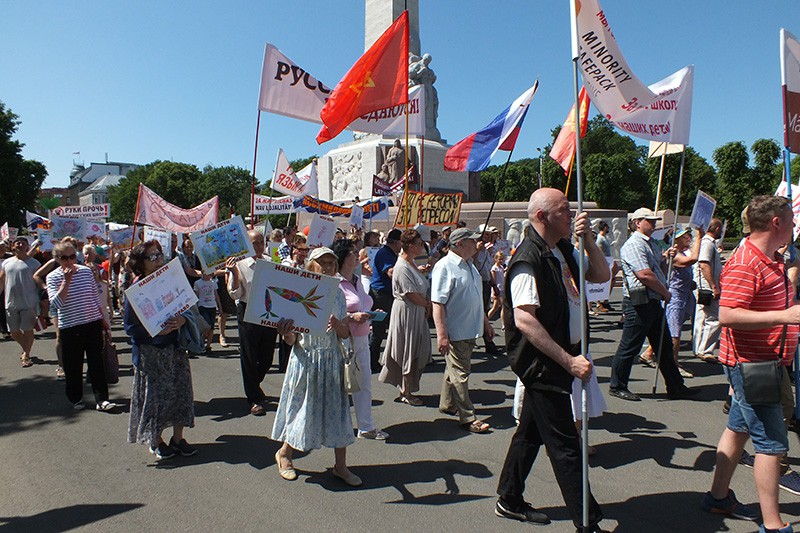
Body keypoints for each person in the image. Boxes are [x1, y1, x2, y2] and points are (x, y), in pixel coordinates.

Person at [496, 188, 609, 529]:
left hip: (561, 357)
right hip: (544, 364)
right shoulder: (527, 258)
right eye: (564, 210)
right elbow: (524, 319)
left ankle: (509, 497)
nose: (572, 214)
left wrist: (588, 240)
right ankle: (588, 522)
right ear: (542, 217)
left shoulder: (560, 249)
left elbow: (601, 276)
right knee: (566, 448)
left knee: (530, 433)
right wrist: (568, 361)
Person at [702, 196, 799, 533]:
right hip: (754, 366)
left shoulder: (768, 257)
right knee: (772, 444)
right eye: (791, 219)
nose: (794, 225)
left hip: (758, 364)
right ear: (776, 223)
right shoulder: (747, 261)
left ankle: (718, 496)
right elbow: (727, 315)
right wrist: (785, 316)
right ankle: (772, 524)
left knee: (738, 428)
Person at [272, 247, 361, 487]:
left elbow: (344, 334)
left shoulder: (338, 295)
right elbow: (292, 341)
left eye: (332, 263)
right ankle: (285, 454)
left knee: (338, 414)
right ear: (311, 266)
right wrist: (286, 332)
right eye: (323, 263)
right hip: (307, 360)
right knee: (302, 410)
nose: (328, 267)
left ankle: (341, 466)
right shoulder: (297, 293)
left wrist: (337, 323)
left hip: (332, 360)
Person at [608, 208, 695, 401]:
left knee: (663, 346)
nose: (654, 223)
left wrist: (667, 259)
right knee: (630, 345)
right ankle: (617, 385)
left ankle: (675, 385)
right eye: (649, 220)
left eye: (654, 220)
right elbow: (644, 274)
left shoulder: (651, 244)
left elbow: (660, 271)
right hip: (639, 302)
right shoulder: (634, 245)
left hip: (653, 301)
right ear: (638, 222)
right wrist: (665, 292)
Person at [124, 241, 197, 460]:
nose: (158, 261)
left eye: (159, 256)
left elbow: (187, 308)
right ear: (140, 262)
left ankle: (178, 438)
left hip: (175, 349)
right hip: (151, 353)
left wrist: (182, 320)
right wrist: (156, 333)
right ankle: (156, 440)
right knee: (156, 398)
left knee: (181, 392)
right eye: (152, 257)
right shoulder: (136, 290)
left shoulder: (170, 280)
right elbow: (130, 328)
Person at [431, 227, 494, 433]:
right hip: (456, 330)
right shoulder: (445, 266)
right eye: (472, 241)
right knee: (460, 373)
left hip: (470, 328)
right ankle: (467, 416)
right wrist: (442, 334)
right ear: (459, 244)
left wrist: (485, 322)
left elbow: (476, 297)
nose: (477, 244)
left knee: (457, 370)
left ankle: (447, 403)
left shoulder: (470, 266)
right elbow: (438, 303)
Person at [45, 241, 115, 411]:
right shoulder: (53, 277)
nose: (69, 261)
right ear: (57, 259)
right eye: (64, 258)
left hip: (92, 322)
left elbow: (93, 296)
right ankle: (76, 398)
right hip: (70, 326)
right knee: (73, 365)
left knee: (96, 362)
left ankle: (102, 399)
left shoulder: (85, 272)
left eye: (72, 256)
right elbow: (56, 304)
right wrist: (66, 282)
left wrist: (102, 319)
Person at [333, 239, 388, 440]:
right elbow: (331, 316)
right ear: (343, 258)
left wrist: (371, 313)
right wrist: (352, 317)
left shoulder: (357, 279)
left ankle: (366, 426)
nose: (358, 256)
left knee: (363, 383)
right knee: (342, 385)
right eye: (353, 253)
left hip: (362, 336)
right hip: (343, 340)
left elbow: (362, 304)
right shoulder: (335, 283)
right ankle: (337, 427)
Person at [226, 230, 279, 416]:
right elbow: (235, 294)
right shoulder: (239, 264)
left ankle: (254, 384)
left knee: (266, 357)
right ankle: (254, 399)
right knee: (249, 357)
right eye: (254, 243)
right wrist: (233, 273)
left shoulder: (270, 262)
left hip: (268, 311)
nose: (258, 246)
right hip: (248, 311)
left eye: (261, 242)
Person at [639, 225, 703, 378]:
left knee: (671, 328)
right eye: (685, 236)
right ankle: (673, 363)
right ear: (677, 240)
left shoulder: (679, 253)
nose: (689, 238)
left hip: (683, 296)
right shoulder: (674, 255)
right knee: (674, 332)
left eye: (690, 236)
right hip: (674, 297)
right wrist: (700, 236)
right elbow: (691, 260)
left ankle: (648, 353)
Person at [379, 229, 432, 406]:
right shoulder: (401, 266)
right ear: (409, 246)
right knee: (408, 349)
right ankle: (406, 391)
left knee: (416, 348)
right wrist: (426, 304)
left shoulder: (411, 263)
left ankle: (407, 388)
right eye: (418, 244)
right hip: (408, 312)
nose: (422, 247)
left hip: (416, 311)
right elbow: (411, 294)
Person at [0, 237, 41, 367]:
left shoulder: (35, 263)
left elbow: (39, 281)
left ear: (27, 247)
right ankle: (26, 347)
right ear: (12, 247)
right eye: (18, 242)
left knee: (27, 329)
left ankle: (26, 355)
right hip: (10, 302)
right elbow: (2, 280)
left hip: (29, 302)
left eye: (23, 243)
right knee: (14, 332)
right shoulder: (6, 262)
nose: (20, 244)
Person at [369, 228, 401, 372]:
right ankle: (371, 361)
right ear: (396, 242)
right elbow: (391, 272)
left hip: (386, 294)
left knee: (386, 329)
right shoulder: (384, 254)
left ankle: (379, 360)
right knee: (378, 331)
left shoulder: (390, 253)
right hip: (380, 295)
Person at [694, 218, 724, 363]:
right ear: (717, 228)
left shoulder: (709, 243)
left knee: (703, 317)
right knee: (714, 319)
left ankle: (699, 348)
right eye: (721, 228)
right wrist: (713, 286)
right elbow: (704, 264)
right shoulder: (707, 243)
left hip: (706, 285)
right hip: (707, 286)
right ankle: (705, 349)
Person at [194, 272, 220, 353]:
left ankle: (208, 346)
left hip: (212, 306)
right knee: (206, 326)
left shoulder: (213, 282)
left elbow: (216, 295)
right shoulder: (198, 283)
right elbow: (196, 296)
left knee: (211, 327)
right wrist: (195, 308)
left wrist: (220, 307)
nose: (209, 275)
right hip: (203, 306)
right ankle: (201, 343)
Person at [487, 250, 505, 321]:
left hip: (501, 288)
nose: (501, 261)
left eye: (502, 259)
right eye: (499, 259)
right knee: (501, 307)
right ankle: (504, 324)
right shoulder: (494, 268)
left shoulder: (501, 267)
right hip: (497, 289)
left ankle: (486, 320)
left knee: (496, 307)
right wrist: (495, 289)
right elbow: (493, 279)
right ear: (495, 259)